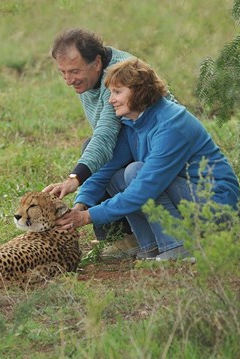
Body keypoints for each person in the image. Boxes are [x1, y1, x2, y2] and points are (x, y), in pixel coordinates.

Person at [55, 58, 240, 261]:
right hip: (185, 197)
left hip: (215, 206)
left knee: (135, 172)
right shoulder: (133, 121)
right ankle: (151, 245)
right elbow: (105, 170)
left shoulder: (172, 123)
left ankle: (180, 246)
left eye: (117, 92)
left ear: (139, 91)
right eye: (110, 93)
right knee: (117, 176)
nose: (111, 100)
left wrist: (87, 217)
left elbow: (145, 188)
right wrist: (80, 205)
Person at [43, 28, 176, 258]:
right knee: (104, 163)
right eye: (62, 72)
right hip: (133, 146)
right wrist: (80, 205)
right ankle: (128, 237)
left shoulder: (118, 76)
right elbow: (108, 144)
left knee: (125, 169)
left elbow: (105, 137)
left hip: (161, 156)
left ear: (97, 63)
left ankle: (171, 241)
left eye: (74, 71)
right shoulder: (87, 79)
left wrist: (76, 180)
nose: (68, 80)